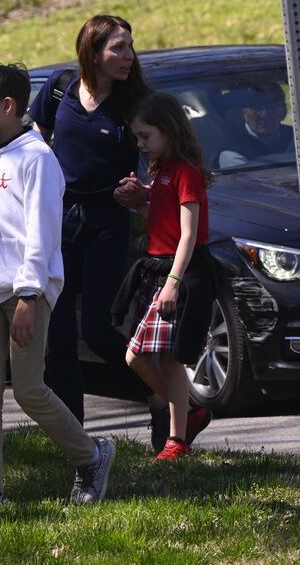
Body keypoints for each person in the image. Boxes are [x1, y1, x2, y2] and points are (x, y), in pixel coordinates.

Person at [0, 63, 115, 506]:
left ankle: (91, 456)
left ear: (7, 106)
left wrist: (29, 295)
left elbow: (42, 232)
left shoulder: (38, 158)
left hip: (23, 294)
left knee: (29, 390)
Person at [28, 14, 169, 450]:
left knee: (99, 330)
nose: (128, 56)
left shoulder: (137, 101)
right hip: (61, 219)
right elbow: (36, 139)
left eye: (130, 46)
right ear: (93, 51)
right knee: (58, 337)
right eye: (118, 48)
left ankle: (161, 399)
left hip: (109, 219)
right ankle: (75, 443)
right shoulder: (59, 87)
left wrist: (144, 191)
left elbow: (163, 160)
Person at [112, 92, 215, 461]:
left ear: (169, 131)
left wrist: (173, 283)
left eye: (145, 136)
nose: (139, 145)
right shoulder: (163, 170)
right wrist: (141, 199)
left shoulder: (186, 173)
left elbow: (189, 234)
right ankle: (186, 419)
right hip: (158, 271)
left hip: (180, 275)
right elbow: (164, 215)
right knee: (140, 357)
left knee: (165, 359)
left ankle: (177, 438)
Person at [216, 84, 293, 169]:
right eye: (257, 108)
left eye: (272, 107)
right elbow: (245, 182)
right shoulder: (232, 153)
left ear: (284, 112)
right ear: (244, 112)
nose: (264, 115)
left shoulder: (297, 137)